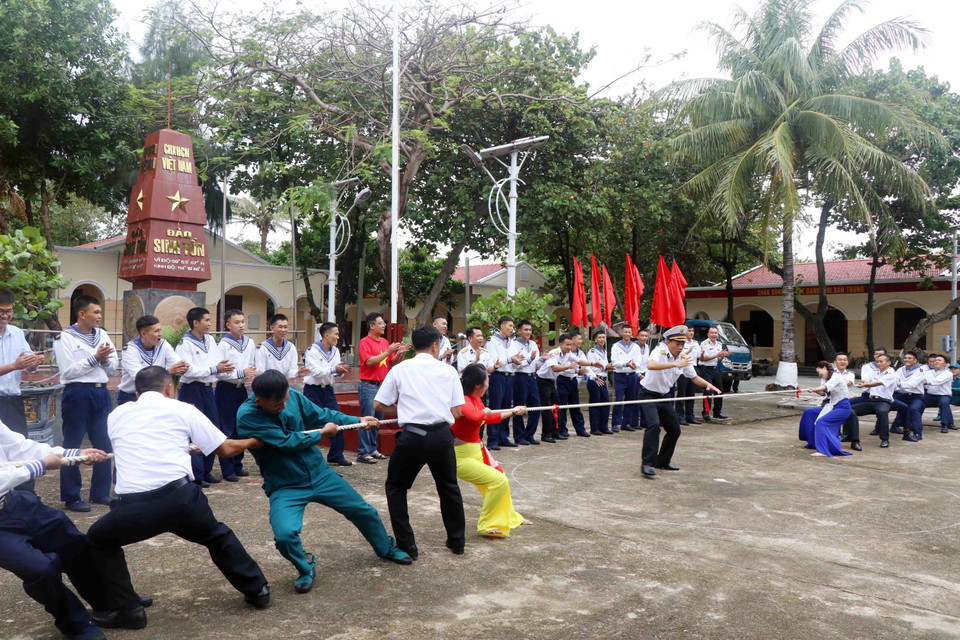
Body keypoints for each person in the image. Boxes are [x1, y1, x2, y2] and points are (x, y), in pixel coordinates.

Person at [86, 366, 271, 613]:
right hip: (180, 500)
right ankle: (257, 590)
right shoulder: (183, 409)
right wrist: (256, 440)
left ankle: (127, 608)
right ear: (169, 389)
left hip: (133, 508)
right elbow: (225, 449)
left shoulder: (116, 415)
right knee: (217, 536)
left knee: (98, 540)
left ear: (137, 393)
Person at [237, 370, 411, 593]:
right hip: (285, 484)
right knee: (284, 535)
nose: (282, 406)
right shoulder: (247, 415)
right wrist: (322, 434)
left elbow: (321, 414)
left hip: (319, 473)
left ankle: (386, 548)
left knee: (363, 511)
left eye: (285, 400)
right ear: (259, 400)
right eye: (276, 405)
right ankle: (305, 566)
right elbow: (287, 442)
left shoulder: (293, 397)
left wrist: (356, 420)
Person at [0, 423, 134, 640]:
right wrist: (38, 467)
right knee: (39, 569)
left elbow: (21, 448)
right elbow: (24, 466)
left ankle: (106, 604)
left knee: (73, 542)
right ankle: (77, 625)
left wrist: (74, 454)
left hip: (13, 502)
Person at [374, 325, 466, 559]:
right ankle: (457, 542)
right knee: (449, 488)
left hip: (412, 436)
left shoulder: (401, 369)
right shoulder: (448, 371)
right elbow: (457, 412)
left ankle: (407, 545)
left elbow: (378, 405)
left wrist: (403, 408)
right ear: (435, 345)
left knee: (396, 488)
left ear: (414, 346)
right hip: (442, 436)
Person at [53, 295, 119, 511]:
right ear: (82, 314)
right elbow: (68, 370)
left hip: (101, 393)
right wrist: (95, 359)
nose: (100, 317)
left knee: (104, 442)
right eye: (96, 312)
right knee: (73, 444)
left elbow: (113, 366)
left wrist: (104, 359)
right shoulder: (65, 337)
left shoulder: (103, 335)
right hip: (77, 393)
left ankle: (100, 492)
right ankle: (72, 496)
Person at [453, 363, 531, 537]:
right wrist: (485, 412)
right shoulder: (463, 400)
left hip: (477, 453)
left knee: (499, 480)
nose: (489, 383)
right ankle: (487, 525)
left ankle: (510, 518)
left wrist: (513, 412)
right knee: (499, 481)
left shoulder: (477, 400)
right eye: (487, 380)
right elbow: (475, 415)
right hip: (461, 458)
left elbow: (488, 418)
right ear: (477, 385)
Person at [637, 325, 721, 478]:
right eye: (677, 344)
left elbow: (694, 377)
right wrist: (674, 364)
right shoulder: (659, 352)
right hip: (648, 394)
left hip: (665, 397)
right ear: (668, 341)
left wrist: (708, 385)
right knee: (654, 425)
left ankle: (662, 461)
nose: (680, 347)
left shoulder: (683, 358)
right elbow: (651, 365)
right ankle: (647, 464)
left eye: (682, 344)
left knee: (675, 429)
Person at [175, 306, 235, 486]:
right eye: (207, 320)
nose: (210, 324)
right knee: (193, 431)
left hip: (208, 389)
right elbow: (189, 370)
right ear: (195, 322)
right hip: (191, 389)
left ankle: (207, 470)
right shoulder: (184, 344)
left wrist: (218, 369)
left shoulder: (209, 340)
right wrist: (213, 369)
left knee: (211, 429)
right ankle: (196, 474)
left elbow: (216, 363)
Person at [0, 287, 44, 492]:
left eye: (8, 311)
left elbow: (28, 364)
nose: (5, 315)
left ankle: (26, 497)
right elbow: (15, 365)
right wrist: (14, 366)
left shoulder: (17, 333)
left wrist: (33, 362)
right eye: (1, 311)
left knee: (22, 448)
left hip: (13, 401)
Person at [358, 312, 409, 464]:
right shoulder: (364, 342)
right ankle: (363, 452)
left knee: (378, 419)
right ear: (372, 326)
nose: (383, 326)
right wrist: (388, 351)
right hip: (369, 385)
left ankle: (372, 449)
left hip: (382, 386)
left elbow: (390, 363)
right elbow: (369, 362)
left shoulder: (384, 342)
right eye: (380, 323)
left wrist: (398, 354)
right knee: (368, 418)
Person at [215, 309, 259, 480]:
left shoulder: (249, 343)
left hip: (241, 389)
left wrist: (251, 373)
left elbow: (252, 365)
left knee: (240, 426)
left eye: (242, 321)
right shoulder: (223, 345)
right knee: (226, 428)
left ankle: (237, 464)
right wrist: (242, 373)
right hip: (226, 387)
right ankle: (227, 469)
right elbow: (221, 373)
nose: (241, 325)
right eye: (237, 322)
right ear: (228, 325)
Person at [302, 322, 354, 466]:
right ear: (326, 335)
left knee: (336, 420)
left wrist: (339, 371)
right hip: (313, 390)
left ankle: (336, 454)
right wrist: (333, 369)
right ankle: (307, 454)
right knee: (311, 423)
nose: (338, 337)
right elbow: (315, 371)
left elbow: (334, 373)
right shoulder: (312, 350)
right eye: (335, 334)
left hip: (328, 390)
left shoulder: (335, 351)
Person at [118, 315, 188, 406]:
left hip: (158, 396)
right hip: (132, 397)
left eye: (160, 330)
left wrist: (182, 367)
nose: (160, 334)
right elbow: (139, 378)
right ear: (143, 334)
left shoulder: (163, 344)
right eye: (156, 331)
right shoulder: (130, 350)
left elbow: (178, 364)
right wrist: (168, 372)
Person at [484, 316, 525, 449]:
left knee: (507, 406)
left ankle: (503, 436)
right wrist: (511, 359)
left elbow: (514, 363)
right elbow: (494, 361)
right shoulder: (492, 341)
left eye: (513, 326)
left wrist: (518, 361)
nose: (512, 329)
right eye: (510, 326)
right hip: (497, 376)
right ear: (502, 326)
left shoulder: (512, 343)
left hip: (509, 376)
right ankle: (492, 439)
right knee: (496, 407)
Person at [798, 360, 853, 457]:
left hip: (842, 408)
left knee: (821, 422)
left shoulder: (836, 376)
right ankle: (813, 442)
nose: (820, 375)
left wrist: (815, 389)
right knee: (809, 412)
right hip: (833, 406)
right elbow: (824, 393)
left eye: (820, 372)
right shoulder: (829, 378)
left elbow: (825, 387)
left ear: (824, 368)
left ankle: (823, 450)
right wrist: (813, 391)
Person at [846, 353, 898, 448]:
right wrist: (864, 382)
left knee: (882, 412)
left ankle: (884, 439)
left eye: (881, 361)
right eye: (877, 361)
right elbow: (869, 381)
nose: (879, 363)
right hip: (871, 400)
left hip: (883, 401)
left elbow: (877, 383)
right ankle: (852, 438)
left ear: (889, 363)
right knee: (849, 410)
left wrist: (866, 385)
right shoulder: (875, 372)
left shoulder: (891, 374)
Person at [535, 334, 579, 443]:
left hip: (552, 382)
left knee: (557, 407)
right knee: (547, 409)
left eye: (571, 345)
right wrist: (569, 366)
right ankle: (546, 434)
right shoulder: (553, 353)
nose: (569, 347)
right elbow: (555, 368)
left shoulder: (567, 354)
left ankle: (555, 432)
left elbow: (579, 361)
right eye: (567, 345)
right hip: (543, 382)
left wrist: (593, 364)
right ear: (561, 344)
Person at [556, 331, 596, 438]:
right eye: (579, 339)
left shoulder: (578, 353)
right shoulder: (559, 353)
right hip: (562, 380)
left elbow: (583, 364)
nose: (581, 341)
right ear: (572, 340)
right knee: (562, 407)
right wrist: (578, 371)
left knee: (576, 405)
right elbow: (561, 369)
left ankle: (580, 429)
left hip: (572, 381)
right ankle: (562, 430)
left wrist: (593, 369)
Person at [511, 319, 542, 445]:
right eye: (525, 330)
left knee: (536, 406)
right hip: (520, 377)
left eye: (530, 330)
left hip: (532, 377)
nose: (528, 332)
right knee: (520, 407)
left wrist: (543, 360)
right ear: (519, 331)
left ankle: (530, 434)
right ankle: (519, 436)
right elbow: (517, 365)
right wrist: (530, 359)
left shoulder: (533, 344)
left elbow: (537, 362)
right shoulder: (514, 345)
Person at [611, 325, 642, 433]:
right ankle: (615, 423)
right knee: (618, 400)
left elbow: (639, 361)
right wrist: (626, 364)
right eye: (626, 332)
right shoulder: (616, 346)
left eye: (629, 332)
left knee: (631, 400)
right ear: (622, 333)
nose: (628, 334)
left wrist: (633, 365)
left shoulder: (636, 347)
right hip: (620, 376)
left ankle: (626, 423)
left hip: (632, 376)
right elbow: (614, 362)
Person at [697, 326, 731, 421]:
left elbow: (718, 359)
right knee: (708, 391)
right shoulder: (704, 344)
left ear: (718, 334)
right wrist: (717, 355)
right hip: (706, 369)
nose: (714, 335)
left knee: (719, 390)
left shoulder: (719, 344)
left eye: (715, 333)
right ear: (708, 334)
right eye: (712, 333)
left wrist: (722, 355)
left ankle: (717, 412)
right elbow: (703, 358)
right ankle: (706, 412)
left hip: (716, 369)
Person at [585, 328, 614, 435]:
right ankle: (594, 428)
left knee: (605, 403)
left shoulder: (604, 351)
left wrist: (608, 367)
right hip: (595, 379)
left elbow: (604, 366)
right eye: (599, 338)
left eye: (603, 337)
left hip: (603, 379)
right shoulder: (592, 351)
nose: (602, 339)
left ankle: (604, 426)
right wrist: (606, 366)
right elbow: (591, 367)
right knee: (595, 404)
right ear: (595, 340)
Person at [255, 314, 301, 379]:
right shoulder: (263, 347)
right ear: (272, 328)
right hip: (267, 385)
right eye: (280, 327)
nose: (283, 330)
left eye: (285, 327)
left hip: (283, 385)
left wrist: (298, 373)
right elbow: (260, 371)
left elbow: (292, 370)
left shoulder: (291, 347)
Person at [892, 350, 925, 442]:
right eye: (905, 358)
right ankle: (892, 426)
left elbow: (912, 384)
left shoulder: (920, 371)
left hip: (915, 396)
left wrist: (898, 384)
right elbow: (894, 381)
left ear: (915, 360)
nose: (906, 360)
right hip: (901, 395)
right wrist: (898, 384)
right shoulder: (900, 369)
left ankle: (917, 433)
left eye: (909, 358)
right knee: (885, 404)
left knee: (914, 409)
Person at [922, 353, 955, 435]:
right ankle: (914, 423)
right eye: (935, 360)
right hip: (930, 395)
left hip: (943, 395)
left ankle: (944, 425)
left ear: (945, 363)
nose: (936, 362)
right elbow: (921, 379)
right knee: (917, 403)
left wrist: (926, 382)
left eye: (939, 360)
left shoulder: (948, 373)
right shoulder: (928, 372)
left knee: (944, 403)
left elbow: (937, 381)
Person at [675, 326, 702, 425]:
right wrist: (688, 351)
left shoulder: (695, 343)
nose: (691, 333)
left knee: (691, 394)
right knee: (682, 394)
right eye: (689, 331)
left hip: (693, 369)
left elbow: (700, 356)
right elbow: (678, 356)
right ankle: (679, 416)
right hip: (682, 370)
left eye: (692, 331)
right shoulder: (681, 342)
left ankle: (690, 416)